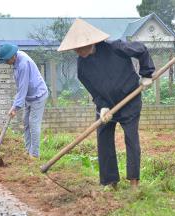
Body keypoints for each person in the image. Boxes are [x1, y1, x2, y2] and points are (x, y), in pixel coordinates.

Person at [57, 19, 155, 190]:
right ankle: (110, 182)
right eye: (75, 49)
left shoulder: (116, 48)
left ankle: (134, 183)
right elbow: (94, 91)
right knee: (103, 138)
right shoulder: (82, 67)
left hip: (129, 100)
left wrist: (146, 74)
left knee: (131, 138)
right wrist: (102, 106)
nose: (78, 52)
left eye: (80, 48)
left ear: (90, 42)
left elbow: (142, 50)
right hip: (107, 106)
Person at [0, 44, 48, 159]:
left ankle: (34, 155)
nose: (5, 63)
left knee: (33, 123)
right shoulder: (16, 59)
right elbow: (21, 87)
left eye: (6, 60)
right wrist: (15, 105)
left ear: (12, 56)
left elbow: (23, 88)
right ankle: (28, 151)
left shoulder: (23, 64)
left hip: (38, 95)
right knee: (26, 123)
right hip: (29, 96)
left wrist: (15, 107)